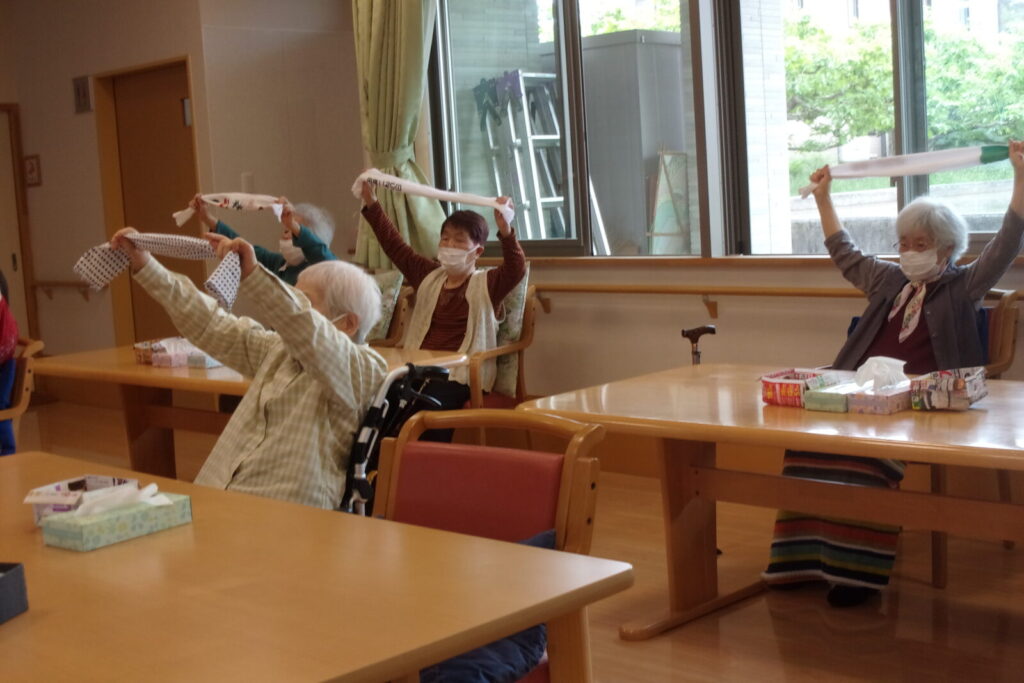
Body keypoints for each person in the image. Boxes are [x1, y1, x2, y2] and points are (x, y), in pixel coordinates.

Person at [762, 140, 1024, 607]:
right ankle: (802, 561)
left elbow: (1007, 242)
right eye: (903, 243)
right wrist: (823, 198)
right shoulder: (888, 280)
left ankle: (854, 574)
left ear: (946, 249)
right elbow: (843, 252)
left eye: (920, 245)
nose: (908, 252)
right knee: (807, 446)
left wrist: (1020, 176)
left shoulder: (965, 285)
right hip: (860, 394)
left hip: (923, 406)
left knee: (865, 461)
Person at [109, 227, 387, 509]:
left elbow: (304, 325)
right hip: (221, 497)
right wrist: (146, 265)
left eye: (303, 300)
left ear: (348, 323)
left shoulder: (364, 368)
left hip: (283, 515)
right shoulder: (279, 349)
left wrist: (254, 274)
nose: (290, 305)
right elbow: (210, 323)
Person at [359, 179, 526, 414]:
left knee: (424, 404)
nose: (449, 245)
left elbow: (516, 268)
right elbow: (394, 246)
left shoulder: (488, 283)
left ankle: (420, 440)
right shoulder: (428, 275)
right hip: (419, 367)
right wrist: (371, 202)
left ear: (477, 251)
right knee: (379, 397)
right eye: (445, 238)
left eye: (459, 240)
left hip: (462, 374)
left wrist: (506, 230)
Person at [191, 193, 338, 285]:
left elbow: (321, 253)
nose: (285, 235)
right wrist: (207, 218)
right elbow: (246, 249)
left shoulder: (322, 268)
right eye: (286, 229)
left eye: (292, 230)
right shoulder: (279, 264)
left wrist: (294, 226)